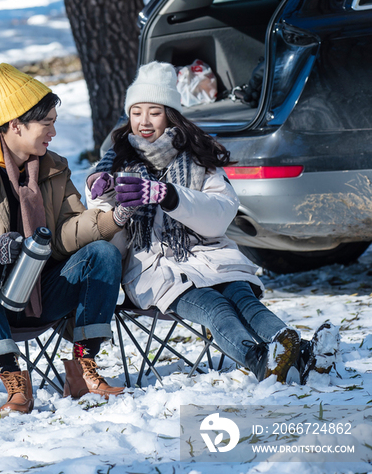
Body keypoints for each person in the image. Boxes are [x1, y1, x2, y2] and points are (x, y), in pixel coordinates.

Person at [86, 62, 339, 385]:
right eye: (136, 112)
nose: (144, 122)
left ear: (171, 115)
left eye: (154, 112)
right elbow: (102, 224)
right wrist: (105, 195)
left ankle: (300, 352)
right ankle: (264, 362)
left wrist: (167, 194)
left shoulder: (197, 159)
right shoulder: (115, 163)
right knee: (216, 308)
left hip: (211, 255)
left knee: (243, 300)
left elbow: (221, 213)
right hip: (154, 268)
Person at [0, 63, 125, 416]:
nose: (53, 132)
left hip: (42, 291)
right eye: (46, 122)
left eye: (54, 121)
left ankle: (83, 369)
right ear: (16, 125)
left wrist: (112, 219)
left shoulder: (53, 167)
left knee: (102, 253)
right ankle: (15, 380)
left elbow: (67, 234)